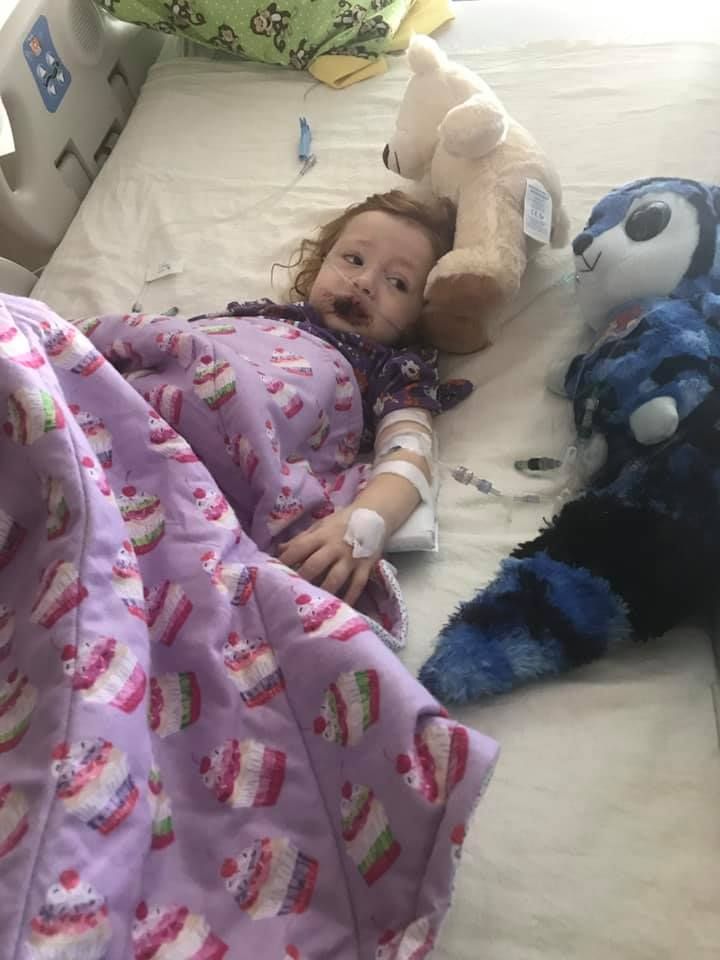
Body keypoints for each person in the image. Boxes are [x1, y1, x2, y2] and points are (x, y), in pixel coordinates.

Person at [194, 190, 469, 606]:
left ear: (419, 316)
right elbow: (176, 343)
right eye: (354, 259)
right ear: (320, 262)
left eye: (397, 283)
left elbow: (411, 455)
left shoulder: (392, 370)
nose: (364, 283)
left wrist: (363, 524)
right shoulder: (262, 317)